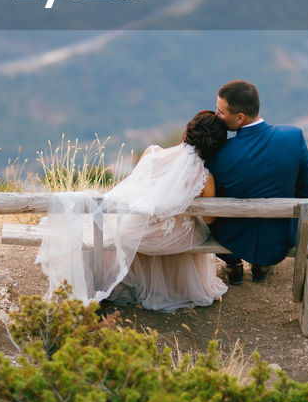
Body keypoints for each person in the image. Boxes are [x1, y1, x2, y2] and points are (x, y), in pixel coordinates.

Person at [34, 111, 229, 312]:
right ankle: (175, 286)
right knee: (193, 228)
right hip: (170, 241)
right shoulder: (205, 177)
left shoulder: (152, 153)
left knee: (142, 223)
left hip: (136, 233)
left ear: (188, 131)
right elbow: (209, 218)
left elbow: (135, 190)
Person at [205, 79, 308, 284]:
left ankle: (233, 265)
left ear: (240, 118)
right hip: (283, 234)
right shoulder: (294, 137)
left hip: (234, 235)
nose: (216, 115)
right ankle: (263, 264)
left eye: (221, 111)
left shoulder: (218, 153)